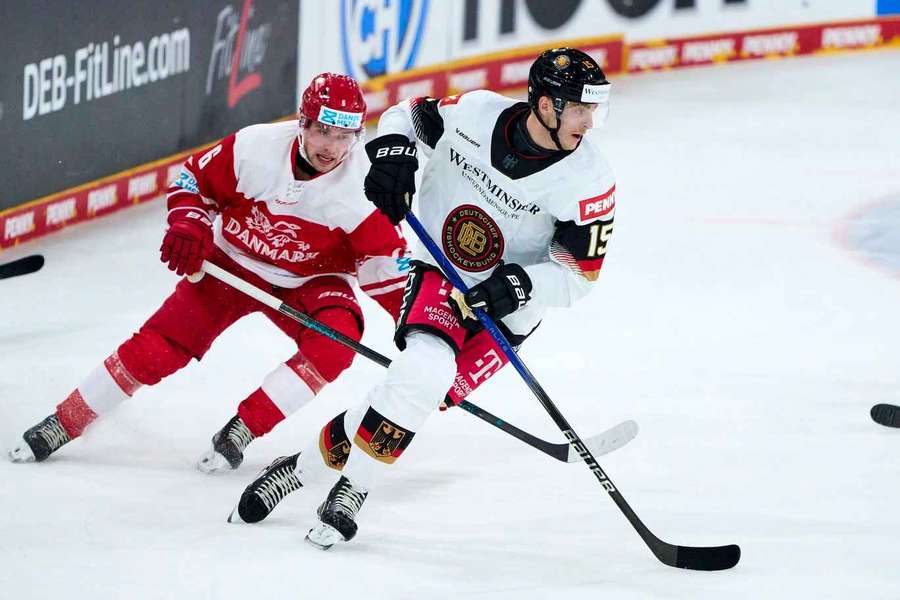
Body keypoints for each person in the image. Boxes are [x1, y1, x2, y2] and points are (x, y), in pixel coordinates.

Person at [229, 47, 618, 550]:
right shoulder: (477, 114)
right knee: (425, 371)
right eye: (581, 109)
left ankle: (298, 470)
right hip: (442, 269)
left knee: (412, 393)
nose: (589, 123)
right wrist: (392, 153)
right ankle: (353, 490)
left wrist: (521, 284)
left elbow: (579, 275)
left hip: (512, 310)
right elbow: (403, 118)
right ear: (547, 105)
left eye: (595, 109)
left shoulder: (590, 179)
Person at [8, 73, 410, 470]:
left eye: (345, 136)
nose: (333, 147)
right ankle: (65, 420)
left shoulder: (365, 185)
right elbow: (193, 181)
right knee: (158, 347)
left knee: (336, 342)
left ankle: (244, 429)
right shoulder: (255, 147)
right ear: (302, 123)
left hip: (309, 281)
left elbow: (385, 267)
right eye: (324, 131)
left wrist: (422, 337)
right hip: (231, 265)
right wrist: (189, 223)